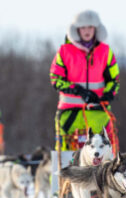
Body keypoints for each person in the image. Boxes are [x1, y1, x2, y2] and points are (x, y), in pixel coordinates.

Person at [50, 10, 120, 151]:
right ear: (77, 30)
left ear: (96, 29)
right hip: (69, 113)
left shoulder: (106, 51)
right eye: (83, 27)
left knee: (104, 151)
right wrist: (78, 90)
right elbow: (55, 79)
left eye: (90, 27)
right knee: (65, 155)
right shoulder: (64, 51)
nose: (87, 31)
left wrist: (108, 94)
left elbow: (114, 80)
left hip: (98, 111)